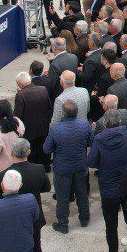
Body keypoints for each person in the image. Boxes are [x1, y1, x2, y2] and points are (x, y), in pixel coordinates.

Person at [0, 139, 50, 252]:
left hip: (12, 219)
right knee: (36, 247)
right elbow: (46, 188)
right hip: (33, 216)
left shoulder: (4, 174)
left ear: (11, 153)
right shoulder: (38, 169)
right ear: (29, 153)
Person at [89, 110, 127, 252]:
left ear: (105, 123)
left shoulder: (98, 139)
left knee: (111, 224)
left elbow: (92, 162)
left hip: (109, 188)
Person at [43, 100, 92, 233]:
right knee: (82, 194)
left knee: (62, 198)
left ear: (63, 114)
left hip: (62, 169)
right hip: (81, 166)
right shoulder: (85, 125)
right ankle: (84, 219)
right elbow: (90, 142)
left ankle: (63, 225)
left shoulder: (55, 129)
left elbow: (47, 149)